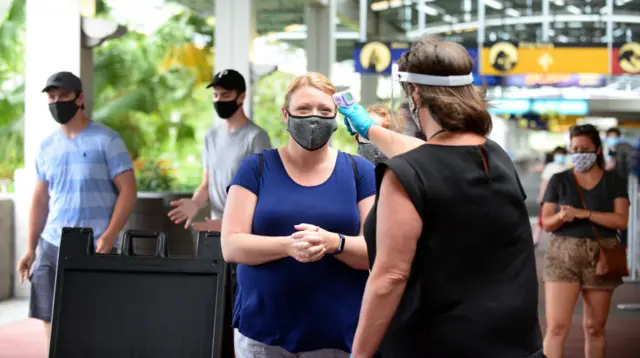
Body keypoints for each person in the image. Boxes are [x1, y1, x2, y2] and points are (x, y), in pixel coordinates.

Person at [339, 36, 543, 358]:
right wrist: (370, 130)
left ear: (416, 93)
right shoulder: (495, 156)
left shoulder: (404, 176)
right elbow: (435, 157)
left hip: (435, 345)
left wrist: (359, 355)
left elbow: (389, 278)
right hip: (516, 344)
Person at [221, 72, 377, 357]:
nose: (314, 118)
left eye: (324, 110)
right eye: (303, 110)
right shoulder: (255, 168)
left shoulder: (360, 173)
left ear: (337, 116)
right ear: (285, 114)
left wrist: (334, 243)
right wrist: (289, 246)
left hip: (339, 335)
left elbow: (376, 251)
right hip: (263, 335)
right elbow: (231, 245)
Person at [16, 71, 137, 346]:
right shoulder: (46, 146)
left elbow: (128, 190)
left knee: (94, 321)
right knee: (51, 324)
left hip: (94, 245)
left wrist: (109, 235)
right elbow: (40, 199)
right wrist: (30, 248)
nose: (57, 102)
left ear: (80, 98)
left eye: (64, 96)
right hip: (51, 244)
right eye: (52, 97)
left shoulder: (107, 139)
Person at [541, 124, 628, 358]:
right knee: (556, 327)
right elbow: (546, 221)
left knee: (595, 327)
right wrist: (561, 216)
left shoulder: (614, 181)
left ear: (597, 150)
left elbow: (621, 220)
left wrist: (584, 213)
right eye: (575, 149)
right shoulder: (559, 180)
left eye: (585, 149)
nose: (579, 154)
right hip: (562, 254)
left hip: (602, 255)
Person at [168, 69, 271, 231]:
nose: (219, 100)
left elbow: (263, 191)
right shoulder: (211, 136)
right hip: (215, 226)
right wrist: (194, 204)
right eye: (215, 95)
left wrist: (230, 224)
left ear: (241, 97)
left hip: (245, 229)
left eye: (225, 95)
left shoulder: (257, 137)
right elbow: (207, 183)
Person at [533, 146, 569, 245]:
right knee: (542, 217)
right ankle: (535, 239)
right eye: (558, 154)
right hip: (550, 197)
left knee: (562, 218)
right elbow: (544, 182)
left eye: (562, 154)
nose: (560, 156)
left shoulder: (568, 168)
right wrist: (541, 196)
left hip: (563, 198)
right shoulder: (550, 167)